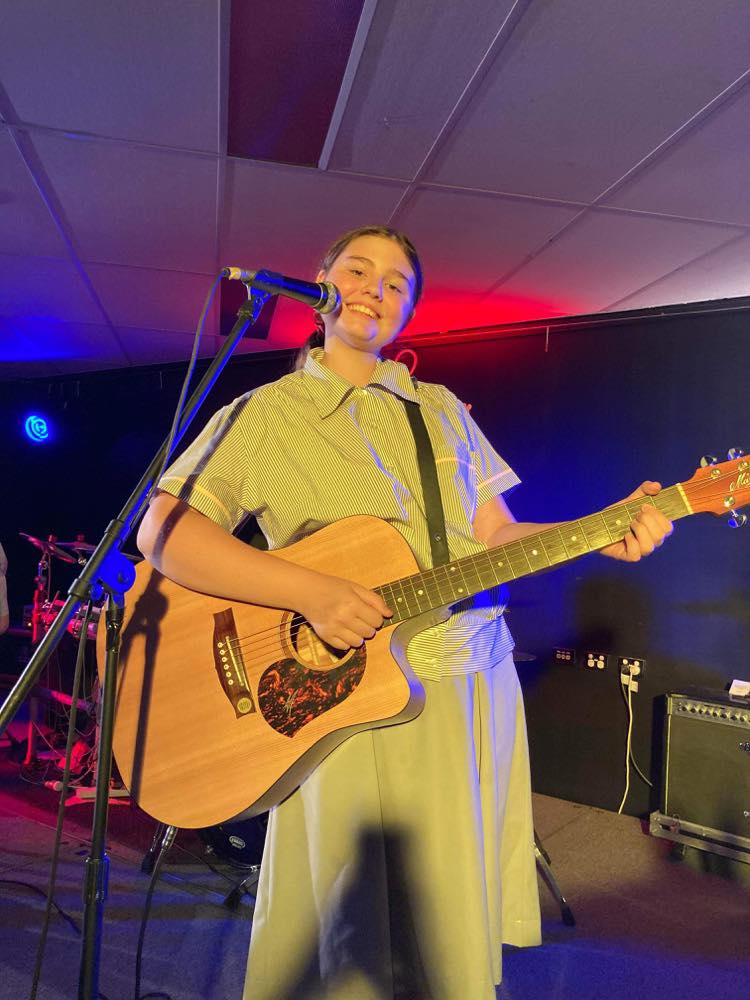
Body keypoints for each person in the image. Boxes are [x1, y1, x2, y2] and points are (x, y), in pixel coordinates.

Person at [137, 225, 673, 999]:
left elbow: (495, 536)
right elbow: (163, 527)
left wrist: (598, 532)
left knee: (448, 917)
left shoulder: (444, 409)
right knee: (341, 924)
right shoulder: (265, 412)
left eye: (397, 284)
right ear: (321, 285)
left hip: (471, 678)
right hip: (345, 688)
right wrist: (308, 593)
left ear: (408, 313)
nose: (376, 289)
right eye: (358, 270)